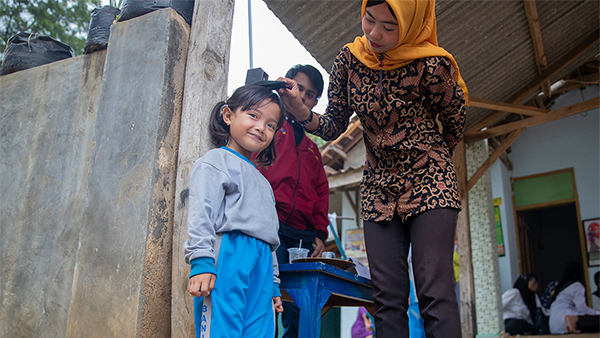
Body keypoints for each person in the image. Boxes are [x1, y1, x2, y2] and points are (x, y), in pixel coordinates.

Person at [277, 0, 468, 337]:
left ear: (410, 24)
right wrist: (303, 113)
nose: (374, 33)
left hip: (430, 179)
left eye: (389, 27)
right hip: (378, 187)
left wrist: (431, 157)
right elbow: (334, 124)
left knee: (433, 292)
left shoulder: (432, 64)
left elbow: (455, 122)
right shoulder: (349, 61)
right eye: (369, 19)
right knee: (387, 297)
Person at [184, 84, 285, 338]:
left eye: (271, 125)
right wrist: (201, 261)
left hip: (261, 264)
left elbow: (269, 236)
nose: (262, 127)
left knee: (260, 333)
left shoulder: (264, 182)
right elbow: (201, 214)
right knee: (223, 330)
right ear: (228, 115)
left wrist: (273, 284)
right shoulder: (215, 162)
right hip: (228, 258)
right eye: (253, 115)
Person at [257, 64, 329, 338]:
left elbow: (322, 193)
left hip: (303, 237)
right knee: (267, 298)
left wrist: (320, 234)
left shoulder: (313, 149)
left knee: (299, 310)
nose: (302, 97)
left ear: (314, 102)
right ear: (285, 88)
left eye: (309, 95)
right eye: (297, 88)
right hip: (269, 227)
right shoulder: (269, 129)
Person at [549, 260, 599, 334]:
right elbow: (582, 309)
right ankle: (573, 319)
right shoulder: (576, 286)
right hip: (566, 320)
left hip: (554, 326)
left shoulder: (562, 287)